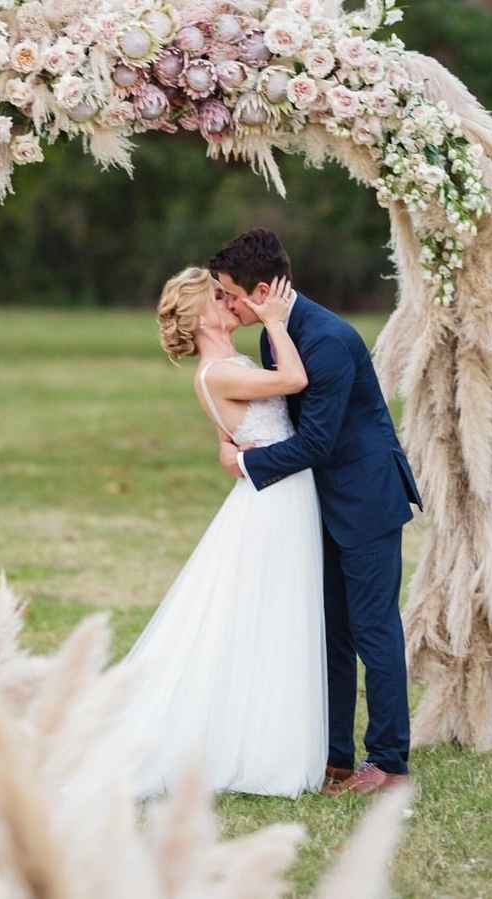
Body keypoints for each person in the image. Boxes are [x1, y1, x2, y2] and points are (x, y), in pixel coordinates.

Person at [211, 229, 423, 796]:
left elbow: (318, 442)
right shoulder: (274, 338)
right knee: (329, 632)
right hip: (318, 505)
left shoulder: (327, 339)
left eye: (230, 295)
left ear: (260, 291)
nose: (226, 305)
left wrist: (246, 465)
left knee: (372, 630)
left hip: (365, 498)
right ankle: (334, 758)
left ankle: (389, 764)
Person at [118, 266, 328, 800]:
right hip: (274, 500)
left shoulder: (227, 366)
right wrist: (278, 322)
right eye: (220, 296)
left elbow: (227, 441)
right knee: (271, 614)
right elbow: (294, 382)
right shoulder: (218, 372)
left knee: (269, 616)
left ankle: (264, 735)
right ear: (203, 314)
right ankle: (259, 749)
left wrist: (230, 453)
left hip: (278, 492)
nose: (231, 301)